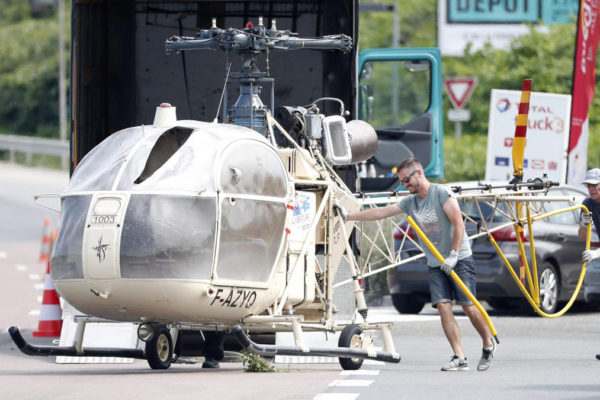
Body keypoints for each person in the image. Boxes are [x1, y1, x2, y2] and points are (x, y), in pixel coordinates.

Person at [336, 158, 495, 371]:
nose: (405, 185)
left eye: (406, 180)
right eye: (402, 182)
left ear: (418, 173)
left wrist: (454, 254)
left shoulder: (441, 193)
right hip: (435, 263)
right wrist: (350, 216)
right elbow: (381, 212)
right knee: (443, 307)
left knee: (468, 306)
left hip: (459, 258)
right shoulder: (410, 202)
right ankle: (459, 356)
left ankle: (487, 344)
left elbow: (459, 223)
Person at [576, 168, 600, 361]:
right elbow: (581, 236)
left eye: (595, 185)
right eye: (589, 185)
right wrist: (584, 224)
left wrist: (596, 253)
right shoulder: (588, 204)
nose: (591, 188)